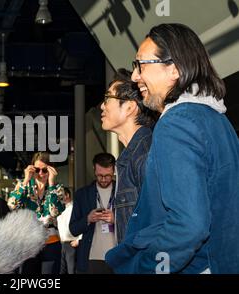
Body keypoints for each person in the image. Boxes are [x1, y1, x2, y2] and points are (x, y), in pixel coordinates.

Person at [106, 23, 239, 274]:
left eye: (141, 65)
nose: (135, 77)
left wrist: (147, 269)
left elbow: (189, 225)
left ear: (174, 69)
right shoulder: (219, 122)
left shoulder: (176, 123)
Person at [100, 68, 158, 243]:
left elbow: (159, 226)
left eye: (108, 98)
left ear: (130, 107)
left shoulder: (144, 155)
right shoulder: (133, 155)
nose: (102, 106)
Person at [8, 151, 65, 274]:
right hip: (29, 242)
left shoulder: (58, 188)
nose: (40, 174)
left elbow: (54, 212)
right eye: (37, 170)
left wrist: (51, 184)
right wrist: (25, 180)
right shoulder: (24, 186)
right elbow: (11, 205)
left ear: (50, 170)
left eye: (44, 170)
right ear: (31, 169)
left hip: (51, 242)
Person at [69, 153, 116, 274]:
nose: (104, 179)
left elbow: (136, 223)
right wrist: (88, 219)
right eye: (100, 175)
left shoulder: (123, 193)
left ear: (114, 171)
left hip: (118, 257)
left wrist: (116, 219)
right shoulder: (82, 194)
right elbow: (73, 229)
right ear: (94, 170)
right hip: (91, 258)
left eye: (108, 176)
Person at [57, 187, 81, 274]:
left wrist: (78, 240)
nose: (58, 198)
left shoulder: (76, 207)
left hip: (72, 244)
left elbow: (83, 223)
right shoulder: (59, 210)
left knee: (72, 271)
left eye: (60, 195)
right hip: (61, 244)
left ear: (67, 195)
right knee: (61, 271)